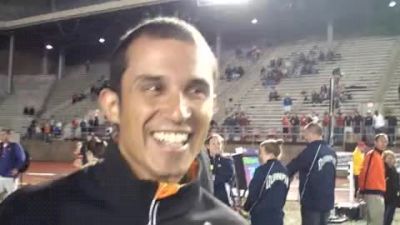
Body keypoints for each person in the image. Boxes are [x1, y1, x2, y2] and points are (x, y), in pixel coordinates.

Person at [0, 17, 247, 225]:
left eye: (196, 91)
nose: (179, 112)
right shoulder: (29, 214)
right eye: (153, 87)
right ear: (113, 106)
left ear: (212, 107)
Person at [287, 123, 337, 225]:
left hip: (312, 201)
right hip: (327, 200)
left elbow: (291, 168)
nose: (304, 137)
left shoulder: (310, 151)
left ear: (311, 134)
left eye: (305, 133)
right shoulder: (332, 152)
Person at [243, 139, 289, 225]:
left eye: (261, 152)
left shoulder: (262, 170)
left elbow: (254, 193)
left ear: (270, 154)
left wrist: (246, 207)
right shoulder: (285, 170)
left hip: (261, 217)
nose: (259, 155)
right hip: (278, 216)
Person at [358, 133, 388, 225]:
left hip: (377, 193)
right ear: (375, 142)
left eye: (385, 141)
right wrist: (361, 190)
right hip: (373, 193)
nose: (384, 143)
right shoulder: (372, 155)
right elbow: (364, 173)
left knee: (375, 221)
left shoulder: (379, 156)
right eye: (381, 141)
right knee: (376, 222)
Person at [205, 134, 234, 206]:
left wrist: (210, 179)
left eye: (218, 143)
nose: (216, 146)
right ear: (208, 146)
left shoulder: (227, 160)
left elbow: (225, 176)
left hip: (222, 199)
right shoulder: (203, 161)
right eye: (213, 143)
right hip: (206, 199)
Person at [0, 130, 26, 202]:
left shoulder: (15, 146)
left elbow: (21, 158)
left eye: (3, 134)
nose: (1, 136)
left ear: (8, 135)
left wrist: (16, 168)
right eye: (0, 134)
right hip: (0, 176)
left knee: (12, 196)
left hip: (10, 176)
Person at [382, 150, 399, 225]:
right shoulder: (383, 170)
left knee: (389, 217)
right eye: (389, 158)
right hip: (384, 197)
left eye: (392, 158)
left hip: (393, 197)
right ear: (384, 159)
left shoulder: (395, 170)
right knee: (384, 217)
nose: (391, 160)